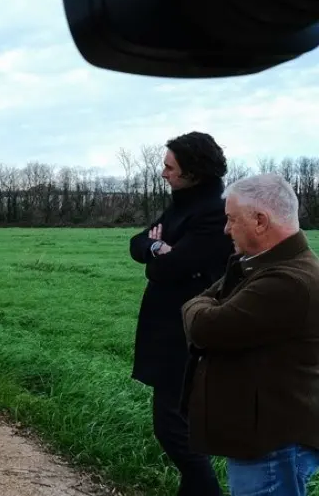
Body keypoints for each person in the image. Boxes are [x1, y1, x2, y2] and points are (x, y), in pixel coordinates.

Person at [181, 173, 319, 496]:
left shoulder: (287, 282)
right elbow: (207, 306)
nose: (226, 229)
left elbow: (204, 327)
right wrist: (202, 305)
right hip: (264, 438)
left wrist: (194, 306)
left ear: (260, 221)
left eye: (231, 219)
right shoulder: (262, 266)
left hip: (272, 446)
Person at [128, 131, 232, 496]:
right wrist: (159, 246)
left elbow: (171, 267)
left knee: (172, 428)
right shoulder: (181, 204)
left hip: (186, 334)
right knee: (175, 427)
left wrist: (156, 256)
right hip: (164, 331)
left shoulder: (214, 213)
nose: (163, 173)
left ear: (194, 171)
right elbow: (137, 244)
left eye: (170, 167)